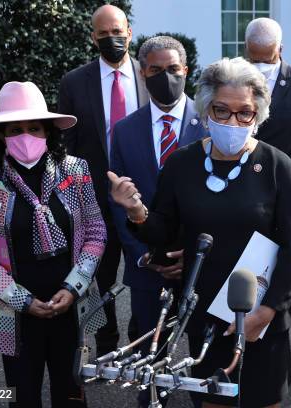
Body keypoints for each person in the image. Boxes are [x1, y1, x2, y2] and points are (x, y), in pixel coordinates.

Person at [109, 57, 291, 408]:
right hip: (206, 311)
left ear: (257, 114)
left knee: (265, 400)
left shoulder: (278, 166)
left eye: (244, 112)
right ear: (205, 109)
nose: (233, 121)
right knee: (213, 401)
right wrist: (137, 211)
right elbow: (164, 231)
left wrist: (270, 310)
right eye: (221, 110)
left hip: (263, 311)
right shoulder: (182, 164)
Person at [0, 81, 107, 407]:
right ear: (0, 135)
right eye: (15, 129)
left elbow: (96, 233)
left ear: (48, 131)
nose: (25, 136)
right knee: (22, 397)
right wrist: (21, 299)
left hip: (72, 307)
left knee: (72, 394)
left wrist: (73, 288)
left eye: (34, 127)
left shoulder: (75, 170)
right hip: (11, 310)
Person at [109, 35, 206, 407]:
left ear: (186, 71)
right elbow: (118, 200)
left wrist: (192, 255)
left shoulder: (211, 123)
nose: (164, 77)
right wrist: (144, 256)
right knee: (151, 348)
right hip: (146, 266)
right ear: (142, 72)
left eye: (173, 70)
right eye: (155, 70)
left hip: (200, 263)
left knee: (201, 348)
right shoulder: (125, 130)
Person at [58, 4, 149, 355]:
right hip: (94, 199)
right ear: (93, 37)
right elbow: (67, 147)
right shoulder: (74, 82)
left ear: (129, 30)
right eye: (105, 33)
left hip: (143, 197)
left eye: (118, 31)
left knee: (146, 273)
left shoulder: (148, 75)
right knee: (102, 279)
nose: (113, 38)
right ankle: (107, 344)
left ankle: (142, 341)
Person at [245, 17, 291, 174]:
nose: (261, 66)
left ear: (280, 49)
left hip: (278, 182)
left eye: (267, 60)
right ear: (247, 48)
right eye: (255, 59)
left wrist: (282, 172)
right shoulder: (230, 78)